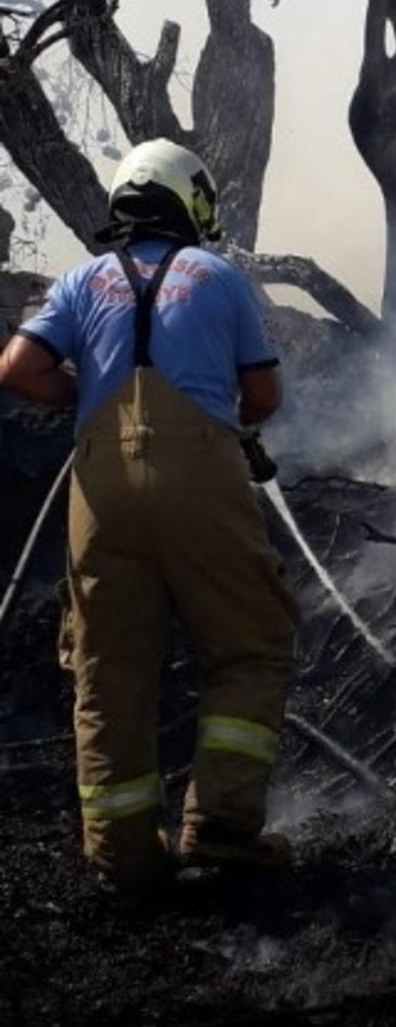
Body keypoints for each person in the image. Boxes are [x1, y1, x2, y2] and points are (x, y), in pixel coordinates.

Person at [0, 138, 297, 893]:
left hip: (99, 489)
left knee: (107, 670)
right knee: (249, 642)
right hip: (201, 472)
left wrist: (91, 402)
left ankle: (124, 856)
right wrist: (210, 417)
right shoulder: (219, 276)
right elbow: (261, 396)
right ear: (189, 202)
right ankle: (221, 825)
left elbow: (18, 369)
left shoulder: (78, 281)